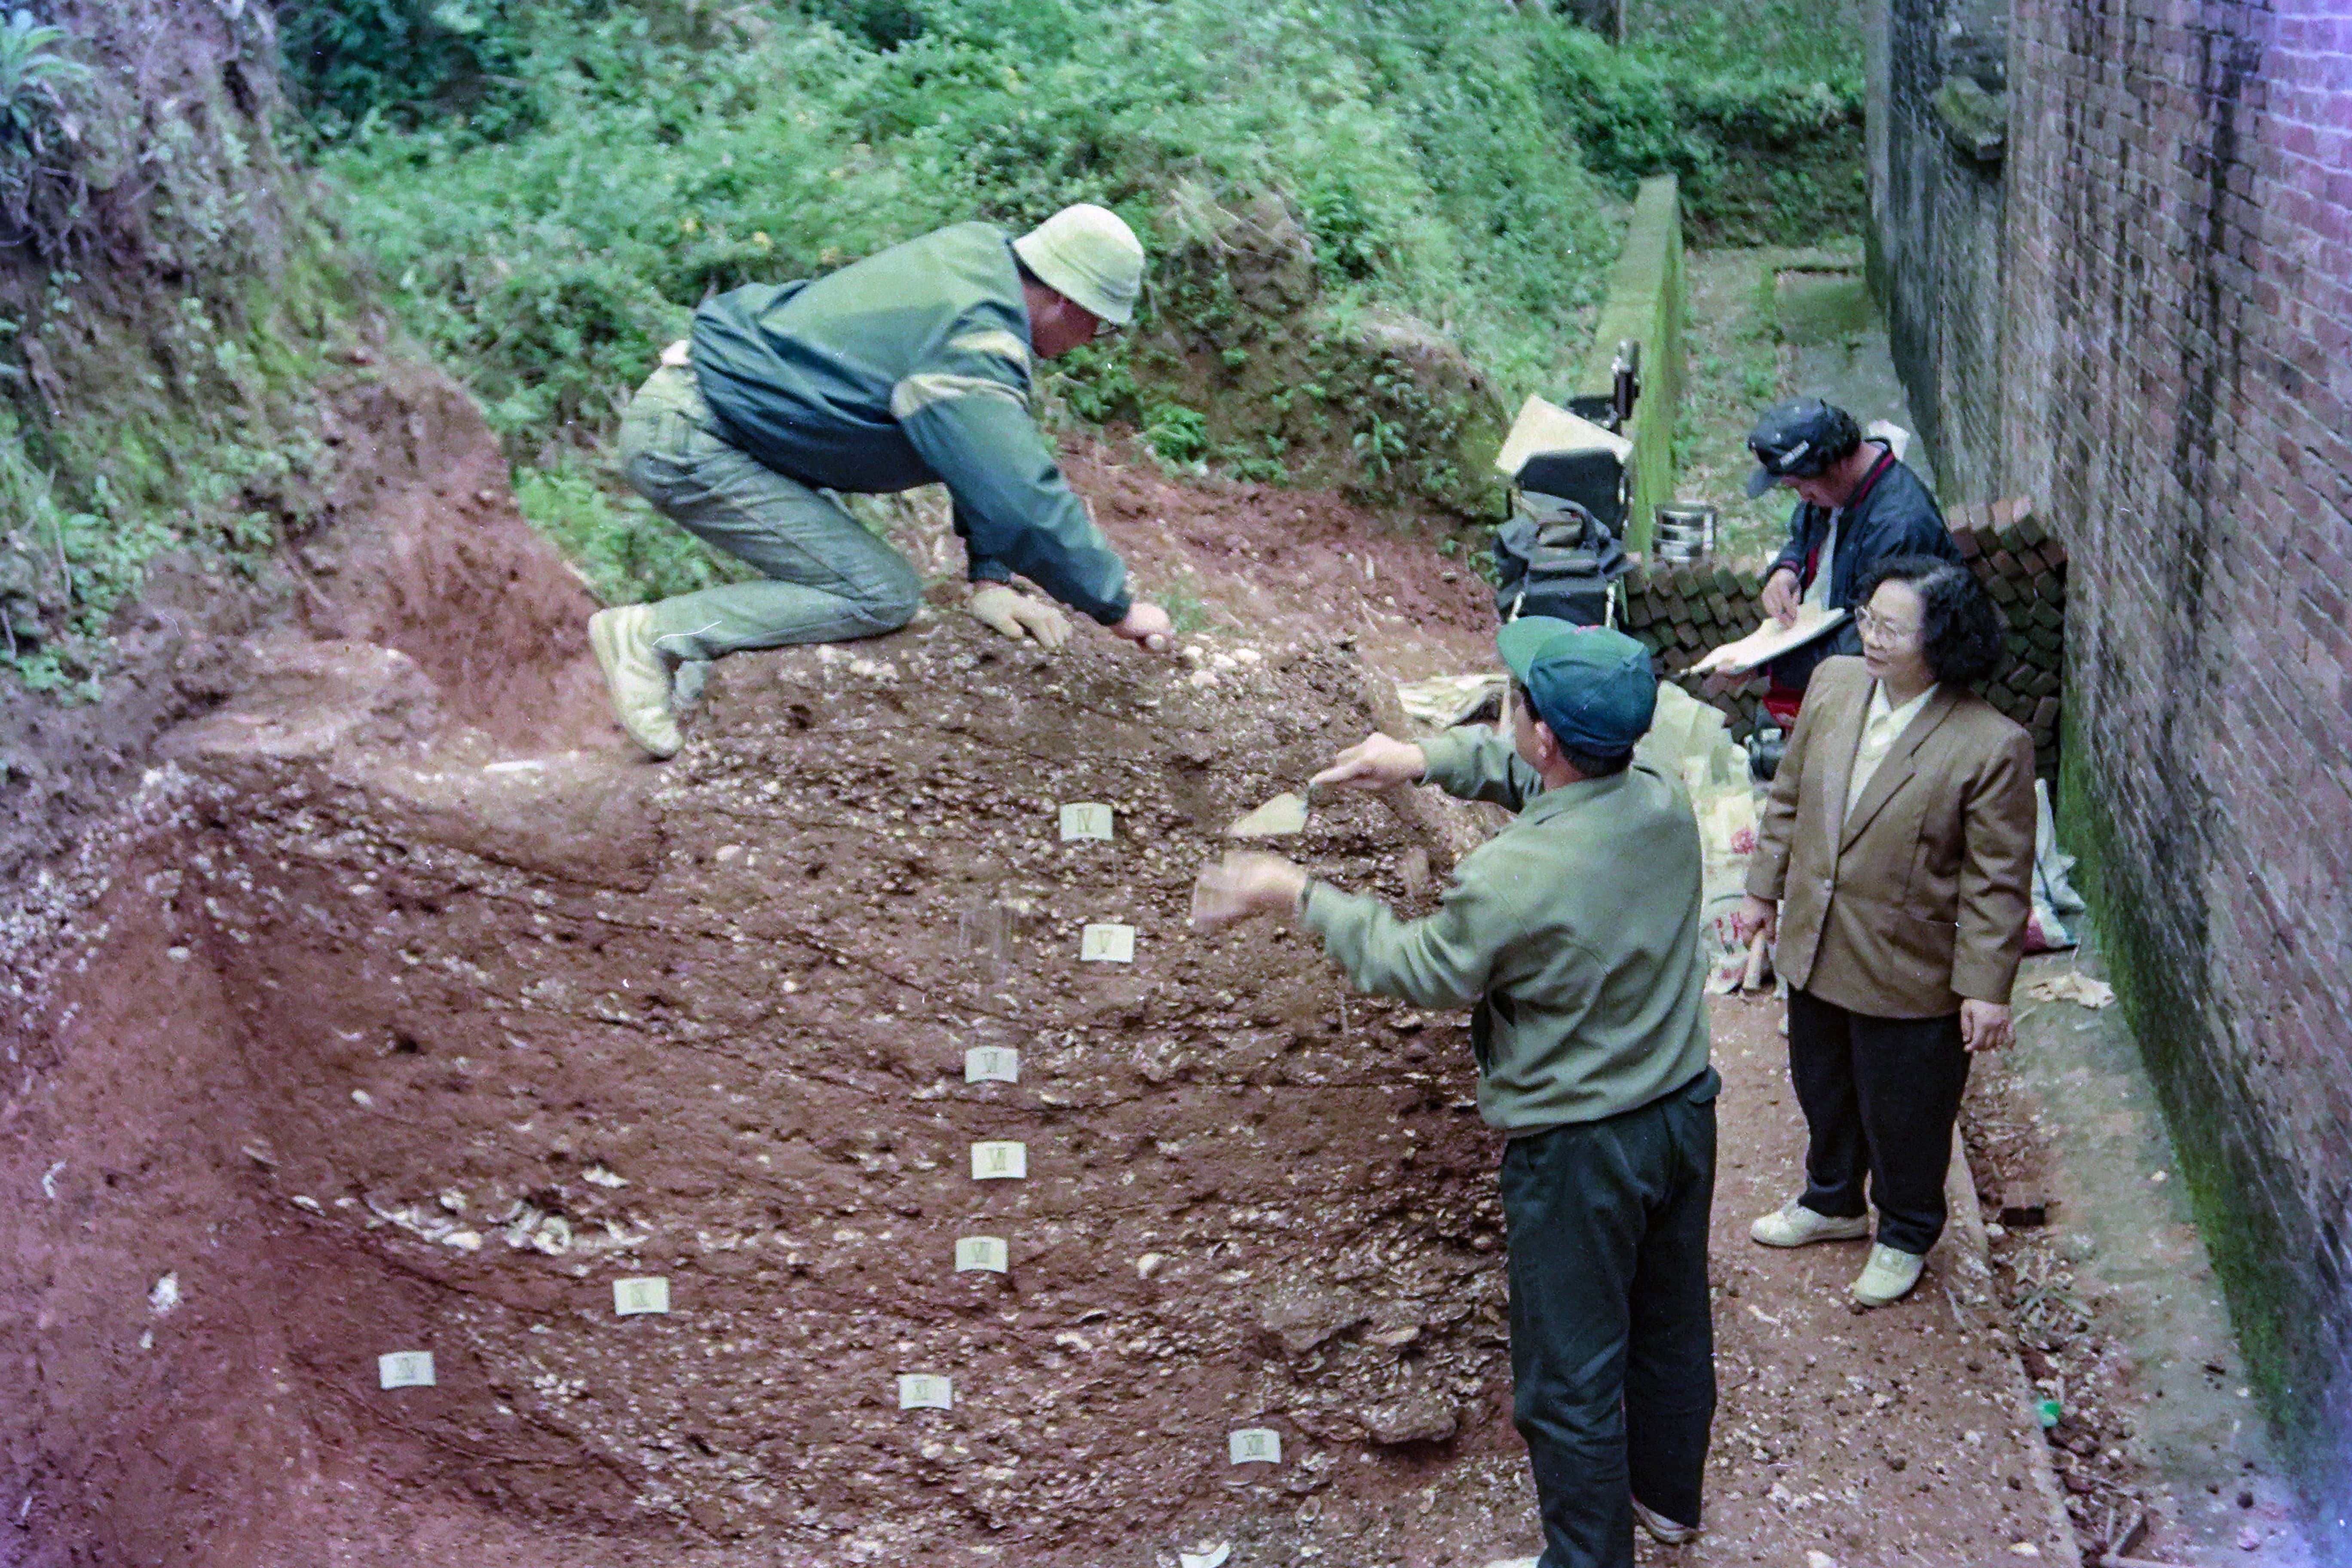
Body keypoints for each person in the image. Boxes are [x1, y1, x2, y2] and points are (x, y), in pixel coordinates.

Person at [1193, 621, 1718, 1568]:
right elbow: (1541, 784)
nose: (1507, 714)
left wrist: (1296, 892)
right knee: (1672, 1318)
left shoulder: (1510, 879)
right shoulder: (1657, 798)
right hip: (1681, 1109)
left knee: (1568, 1378)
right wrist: (1423, 757)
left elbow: (1420, 966)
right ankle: (1669, 1502)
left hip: (1582, 1150)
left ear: (1546, 732)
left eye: (1515, 704)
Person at [588, 204, 1176, 758]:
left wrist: (990, 578)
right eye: (1098, 326)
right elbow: (1021, 498)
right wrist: (1116, 608)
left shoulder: (976, 262)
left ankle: (698, 689)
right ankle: (653, 637)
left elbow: (981, 453)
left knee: (843, 577)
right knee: (879, 593)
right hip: (695, 438)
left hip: (710, 419)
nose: (1087, 342)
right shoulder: (974, 337)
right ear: (1070, 305)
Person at [1732, 555, 2036, 1308]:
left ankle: (1904, 1231)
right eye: (1866, 617)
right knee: (1821, 1081)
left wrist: (1984, 987)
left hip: (1908, 963)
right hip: (1817, 936)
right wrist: (1763, 892)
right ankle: (1831, 1199)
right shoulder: (1835, 685)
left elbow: (1995, 879)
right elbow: (1790, 795)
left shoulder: (1989, 743)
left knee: (1907, 1108)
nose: (1870, 636)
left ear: (1943, 641)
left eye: (1890, 628)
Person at [1746, 398, 1960, 723]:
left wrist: (1767, 663)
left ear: (1837, 464)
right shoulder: (1835, 492)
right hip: (1843, 668)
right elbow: (1803, 536)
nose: (1802, 497)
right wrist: (1786, 571)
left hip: (1896, 695)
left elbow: (1870, 641)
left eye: (1800, 486)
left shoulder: (1900, 527)